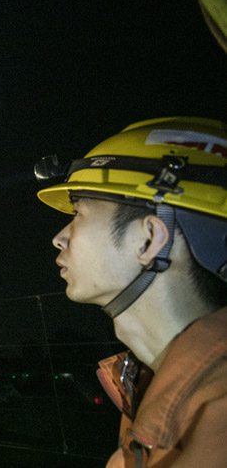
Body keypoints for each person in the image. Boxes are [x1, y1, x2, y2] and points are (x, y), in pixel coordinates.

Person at [36, 117, 227, 467]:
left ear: (150, 239)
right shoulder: (152, 391)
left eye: (79, 213)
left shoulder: (216, 425)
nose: (59, 237)